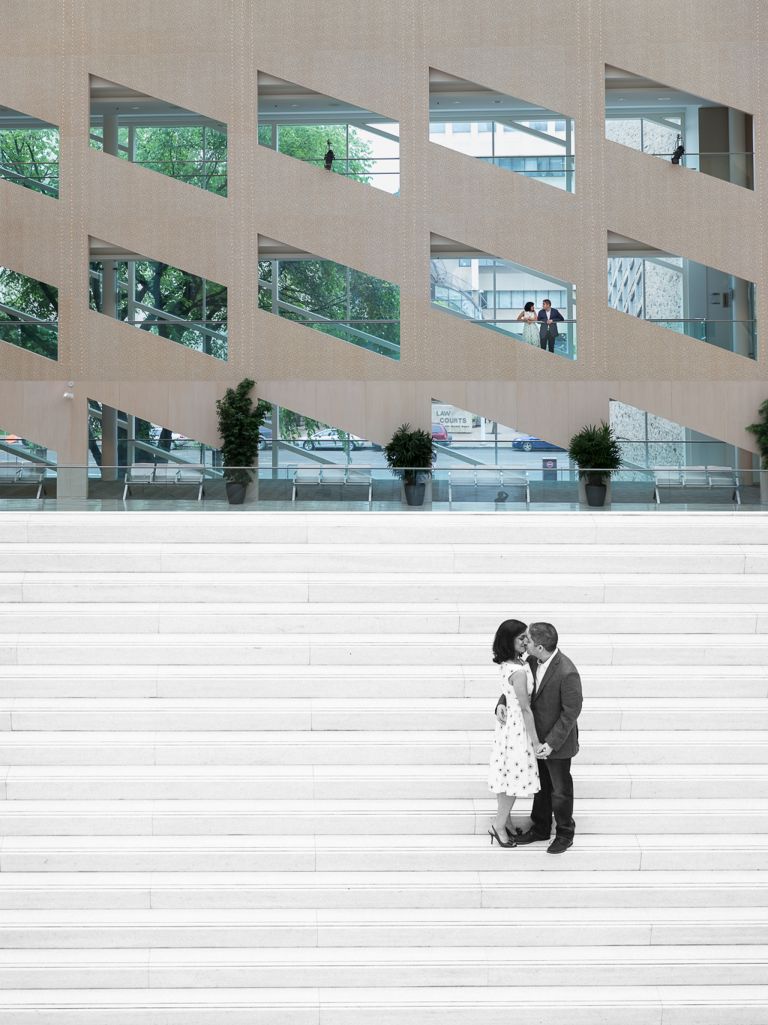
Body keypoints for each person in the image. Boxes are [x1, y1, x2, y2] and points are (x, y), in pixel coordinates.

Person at [504, 622, 583, 854]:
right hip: (535, 738)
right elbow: (518, 690)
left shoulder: (567, 671)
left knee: (560, 789)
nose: (523, 642)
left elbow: (571, 712)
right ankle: (540, 827)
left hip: (557, 742)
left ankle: (565, 833)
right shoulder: (529, 661)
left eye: (527, 639)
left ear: (539, 647)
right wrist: (501, 703)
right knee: (541, 787)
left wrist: (551, 743)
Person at [487, 619, 541, 847]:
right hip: (517, 729)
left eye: (526, 637)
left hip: (508, 728)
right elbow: (525, 707)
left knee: (507, 777)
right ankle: (499, 825)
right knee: (513, 780)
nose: (526, 641)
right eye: (521, 638)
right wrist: (536, 741)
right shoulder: (517, 670)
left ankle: (505, 821)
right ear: (509, 641)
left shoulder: (514, 663)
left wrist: (501, 702)